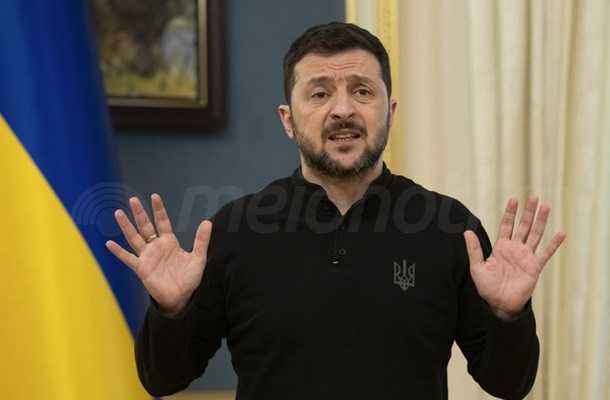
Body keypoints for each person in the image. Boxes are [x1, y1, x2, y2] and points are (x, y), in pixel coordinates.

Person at [106, 22, 566, 400]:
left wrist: (509, 316)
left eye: (362, 91)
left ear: (390, 111)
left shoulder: (450, 228)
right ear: (288, 119)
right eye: (319, 93)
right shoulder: (235, 230)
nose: (342, 109)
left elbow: (509, 384)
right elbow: (162, 380)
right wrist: (171, 311)